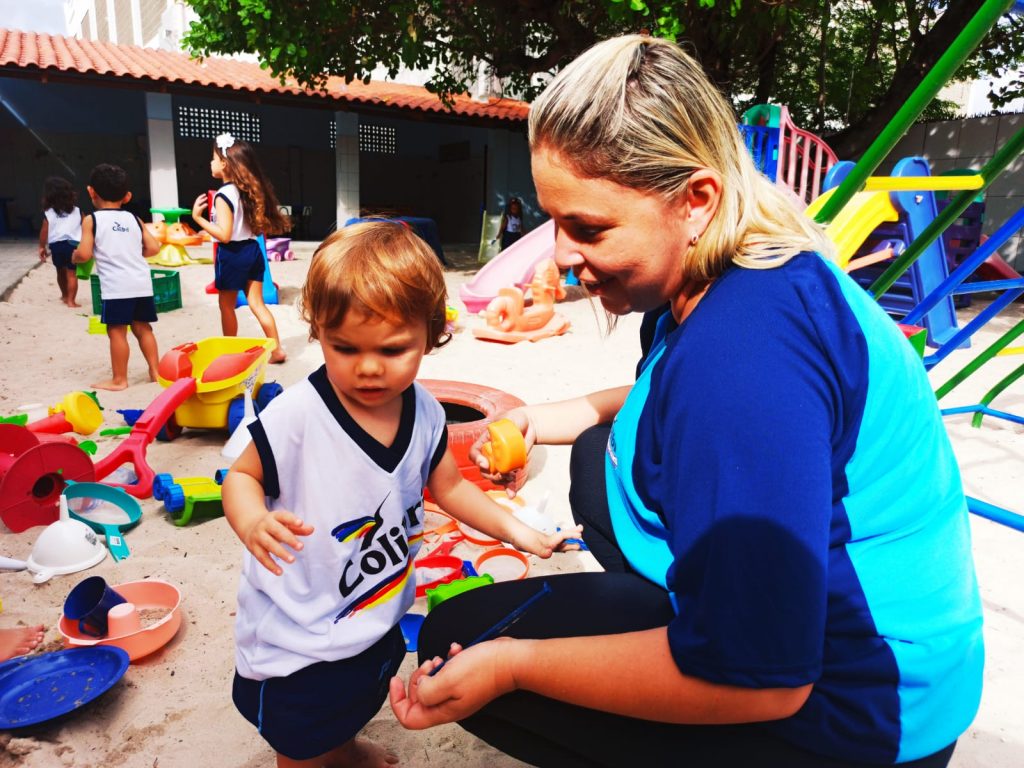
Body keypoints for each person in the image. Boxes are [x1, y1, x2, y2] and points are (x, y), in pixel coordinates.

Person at [389, 35, 984, 768]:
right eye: (556, 221)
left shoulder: (741, 362)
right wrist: (556, 416)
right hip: (880, 649)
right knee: (587, 459)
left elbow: (764, 683)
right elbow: (660, 394)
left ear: (694, 200)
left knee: (472, 642)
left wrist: (515, 665)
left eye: (589, 228)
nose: (561, 258)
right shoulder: (734, 272)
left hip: (859, 708)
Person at [222, 221, 580, 768]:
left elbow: (452, 487)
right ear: (318, 330)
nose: (367, 368)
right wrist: (251, 522)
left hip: (374, 609)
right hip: (297, 639)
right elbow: (241, 476)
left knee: (357, 698)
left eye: (392, 350)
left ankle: (347, 746)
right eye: (344, 348)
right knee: (303, 743)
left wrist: (519, 530)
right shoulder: (297, 415)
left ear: (431, 334)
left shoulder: (426, 413)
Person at [191, 133, 289, 364]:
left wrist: (198, 218)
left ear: (224, 164)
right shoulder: (246, 191)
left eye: (213, 158)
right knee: (257, 303)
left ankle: (229, 353)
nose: (211, 163)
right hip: (252, 250)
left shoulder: (223, 195)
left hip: (233, 254)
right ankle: (277, 350)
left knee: (226, 305)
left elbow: (224, 235)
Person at [72, 164, 162, 391]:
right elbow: (153, 248)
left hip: (117, 287)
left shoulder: (91, 220)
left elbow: (84, 254)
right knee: (143, 328)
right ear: (127, 196)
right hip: (141, 283)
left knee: (116, 331)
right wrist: (133, 253)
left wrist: (74, 257)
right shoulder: (134, 218)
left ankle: (120, 379)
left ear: (91, 191)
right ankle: (156, 371)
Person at [38, 176, 83, 307]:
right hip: (73, 245)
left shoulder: (48, 213)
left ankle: (64, 295)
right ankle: (71, 301)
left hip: (56, 246)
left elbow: (44, 231)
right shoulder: (78, 211)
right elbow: (86, 227)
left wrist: (41, 246)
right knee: (72, 274)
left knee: (60, 271)